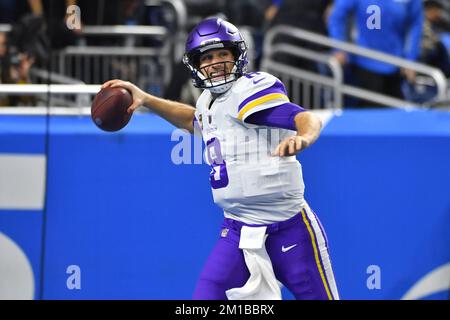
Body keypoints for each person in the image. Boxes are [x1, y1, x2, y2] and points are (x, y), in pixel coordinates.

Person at [102, 18, 339, 300]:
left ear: (236, 56)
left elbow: (304, 117)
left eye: (222, 54)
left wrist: (304, 137)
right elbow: (193, 119)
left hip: (289, 229)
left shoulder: (250, 90)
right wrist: (147, 100)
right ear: (196, 64)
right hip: (238, 229)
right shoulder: (207, 101)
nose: (215, 62)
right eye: (208, 57)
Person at [328, 0, 424, 107]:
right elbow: (337, 17)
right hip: (364, 63)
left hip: (396, 65)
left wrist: (410, 57)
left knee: (394, 114)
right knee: (367, 114)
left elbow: (416, 24)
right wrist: (339, 47)